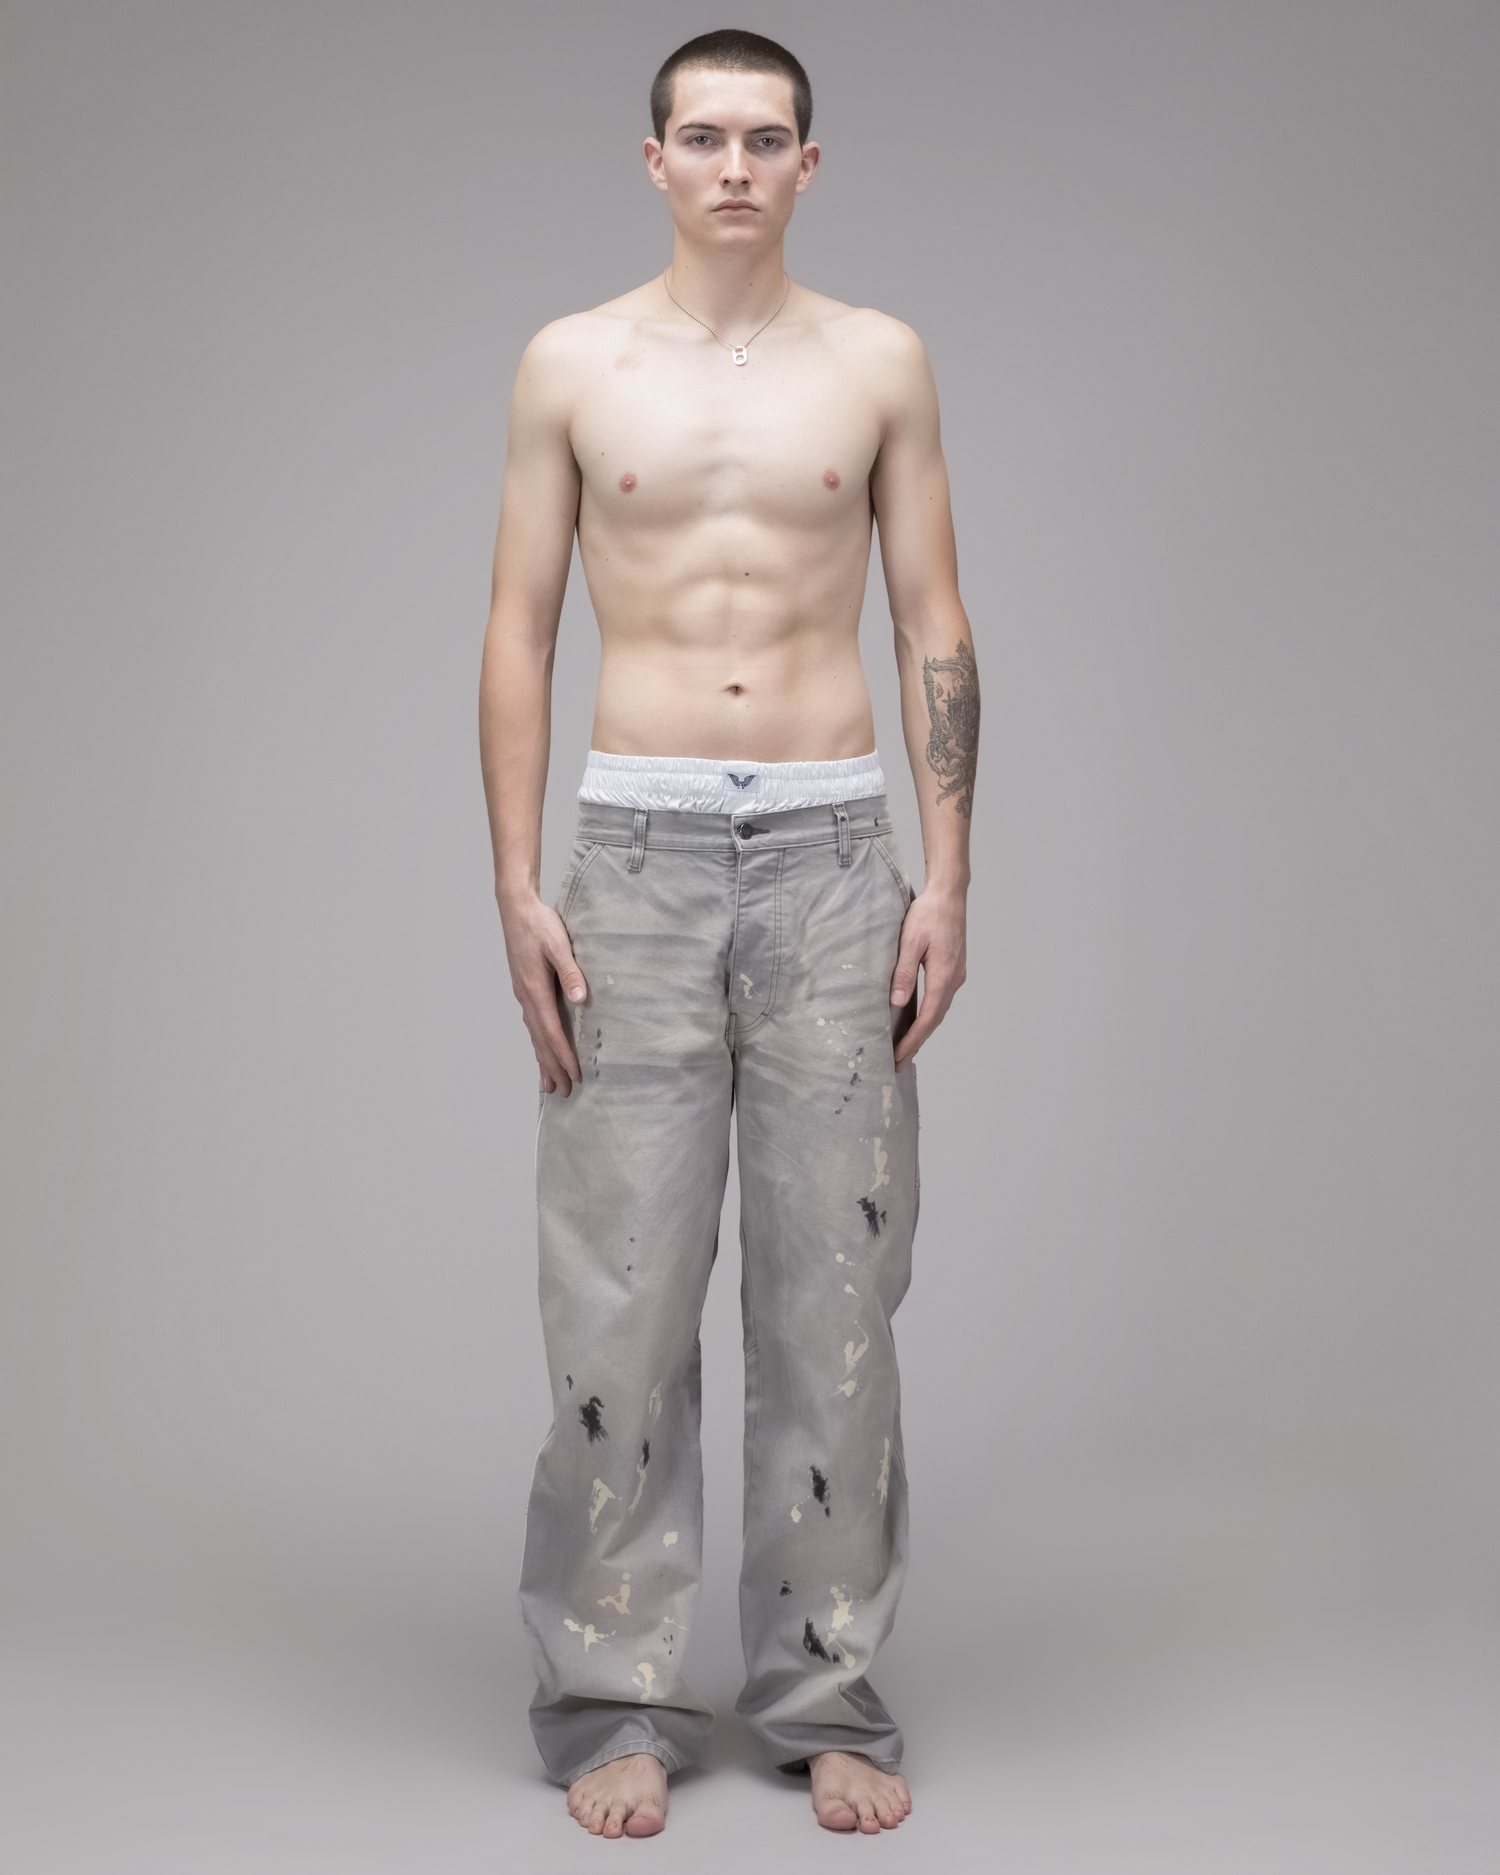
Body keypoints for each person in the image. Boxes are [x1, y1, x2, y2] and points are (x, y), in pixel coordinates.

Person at [478, 28, 977, 1840]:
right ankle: (612, 1692)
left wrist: (948, 873)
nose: (737, 166)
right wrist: (518, 884)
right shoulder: (573, 362)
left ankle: (824, 1690)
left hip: (840, 857)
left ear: (809, 165)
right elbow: (520, 625)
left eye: (768, 139)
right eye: (705, 137)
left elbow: (932, 617)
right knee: (616, 1299)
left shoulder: (879, 361)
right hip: (638, 854)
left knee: (836, 1294)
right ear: (656, 160)